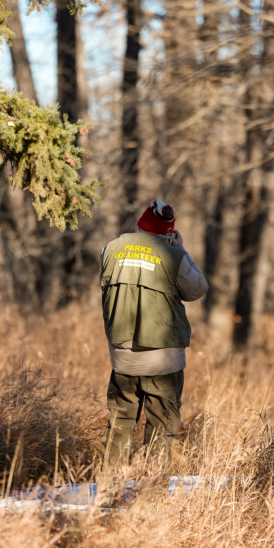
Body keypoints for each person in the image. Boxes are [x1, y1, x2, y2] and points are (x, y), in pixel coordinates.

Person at [99, 200, 208, 468]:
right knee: (161, 427)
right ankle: (153, 494)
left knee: (119, 424)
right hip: (164, 361)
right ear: (167, 231)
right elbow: (197, 289)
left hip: (123, 357)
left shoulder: (110, 249)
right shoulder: (173, 255)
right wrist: (180, 248)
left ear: (141, 224)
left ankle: (107, 488)